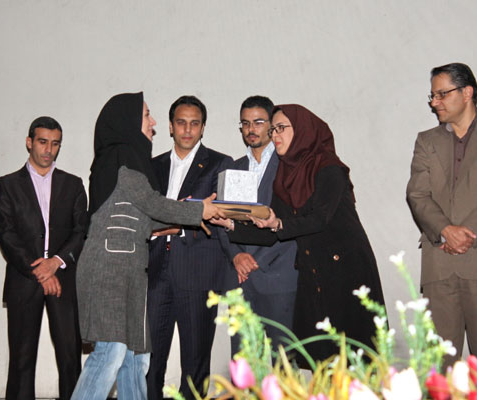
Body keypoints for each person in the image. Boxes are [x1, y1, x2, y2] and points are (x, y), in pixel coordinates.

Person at [72, 92, 225, 400]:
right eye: (146, 115)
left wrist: (182, 216)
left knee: (136, 358)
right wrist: (198, 211)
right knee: (111, 354)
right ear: (127, 121)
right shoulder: (122, 158)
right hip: (110, 271)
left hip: (130, 273)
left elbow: (143, 217)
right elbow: (152, 204)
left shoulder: (128, 159)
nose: (152, 121)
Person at [222, 104, 385, 366]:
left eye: (281, 128)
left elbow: (319, 219)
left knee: (352, 355)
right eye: (273, 130)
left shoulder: (329, 168)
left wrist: (278, 224)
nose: (275, 135)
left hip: (345, 271)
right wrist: (230, 225)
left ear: (302, 130)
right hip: (314, 272)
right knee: (324, 358)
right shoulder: (287, 176)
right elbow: (273, 231)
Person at [406, 63, 477, 367]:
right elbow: (417, 195)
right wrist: (446, 230)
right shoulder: (426, 141)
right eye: (432, 96)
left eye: (442, 94)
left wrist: (465, 234)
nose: (435, 102)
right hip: (439, 262)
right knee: (441, 366)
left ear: (467, 92)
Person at [0, 116, 87, 400]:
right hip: (24, 281)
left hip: (64, 280)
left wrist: (56, 262)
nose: (49, 149)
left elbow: (81, 231)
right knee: (21, 361)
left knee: (70, 359)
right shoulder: (7, 185)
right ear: (29, 142)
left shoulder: (73, 184)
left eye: (55, 143)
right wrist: (40, 271)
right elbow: (7, 235)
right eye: (43, 142)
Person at [147, 95, 233, 399]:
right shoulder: (152, 166)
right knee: (149, 357)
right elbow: (145, 214)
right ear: (170, 127)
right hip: (156, 270)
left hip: (198, 273)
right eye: (181, 123)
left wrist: (178, 223)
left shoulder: (220, 164)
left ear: (203, 128)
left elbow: (222, 218)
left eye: (194, 123)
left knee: (195, 360)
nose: (187, 129)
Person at [221, 95, 298, 356]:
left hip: (279, 276)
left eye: (258, 122)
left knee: (283, 362)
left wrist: (256, 260)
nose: (251, 129)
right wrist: (236, 256)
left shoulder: (289, 166)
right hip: (240, 278)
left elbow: (293, 221)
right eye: (245, 123)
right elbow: (221, 221)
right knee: (243, 363)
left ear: (272, 125)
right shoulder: (233, 168)